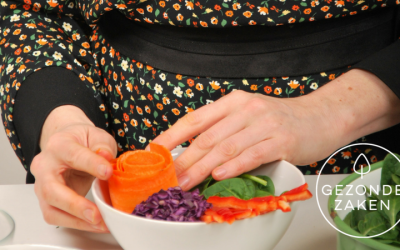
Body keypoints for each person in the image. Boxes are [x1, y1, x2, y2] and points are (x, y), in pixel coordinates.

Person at [1, 0, 400, 232]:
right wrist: (62, 121)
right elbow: (32, 10)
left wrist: (336, 110)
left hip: (361, 173)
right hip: (116, 193)